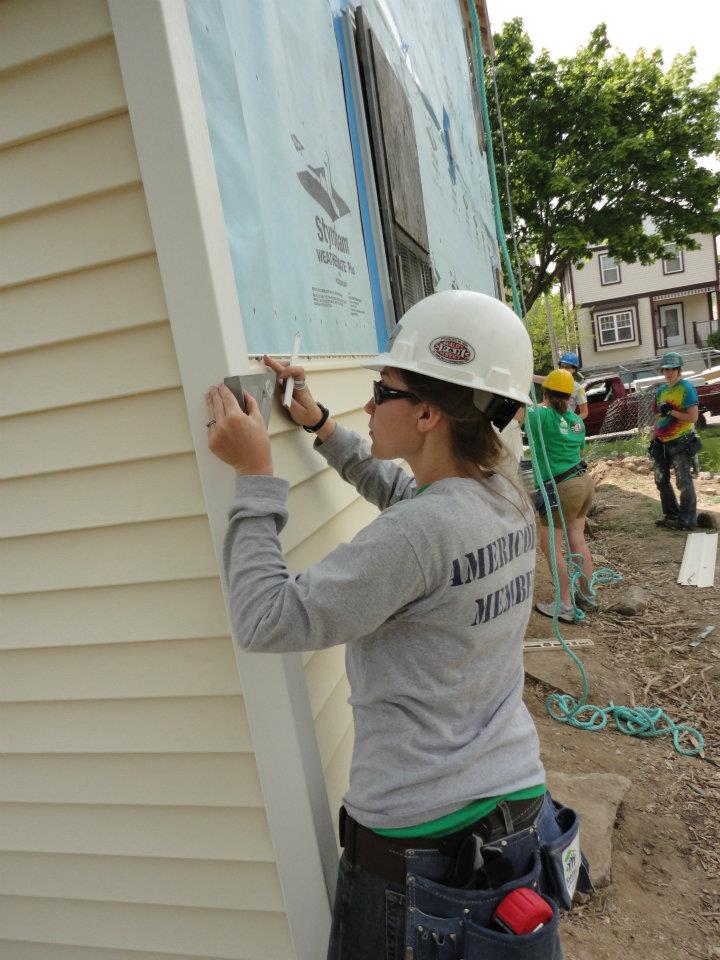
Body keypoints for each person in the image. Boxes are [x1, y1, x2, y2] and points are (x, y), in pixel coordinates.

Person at [206, 291, 588, 960]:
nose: (370, 400)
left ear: (427, 413)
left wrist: (255, 473)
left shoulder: (417, 538)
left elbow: (266, 619)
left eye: (382, 389)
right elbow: (410, 496)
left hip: (419, 853)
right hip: (515, 813)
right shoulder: (502, 490)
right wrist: (322, 425)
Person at [522, 369, 595, 624]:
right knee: (577, 540)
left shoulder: (539, 415)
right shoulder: (577, 420)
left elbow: (516, 412)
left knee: (550, 546)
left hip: (562, 487)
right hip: (584, 483)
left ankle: (565, 603)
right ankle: (587, 594)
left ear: (546, 391)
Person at [649, 351, 701, 531]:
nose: (669, 372)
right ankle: (671, 515)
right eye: (666, 369)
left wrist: (671, 411)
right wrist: (654, 434)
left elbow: (693, 417)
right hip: (660, 441)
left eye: (672, 369)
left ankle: (687, 521)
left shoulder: (686, 388)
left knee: (683, 481)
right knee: (660, 479)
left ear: (679, 370)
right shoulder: (661, 390)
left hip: (680, 441)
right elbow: (656, 414)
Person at [532, 351, 588, 419]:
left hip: (564, 423)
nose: (564, 369)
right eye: (562, 366)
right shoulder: (553, 381)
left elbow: (584, 413)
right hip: (550, 420)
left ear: (574, 369)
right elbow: (534, 378)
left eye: (567, 367)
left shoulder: (578, 388)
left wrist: (572, 422)